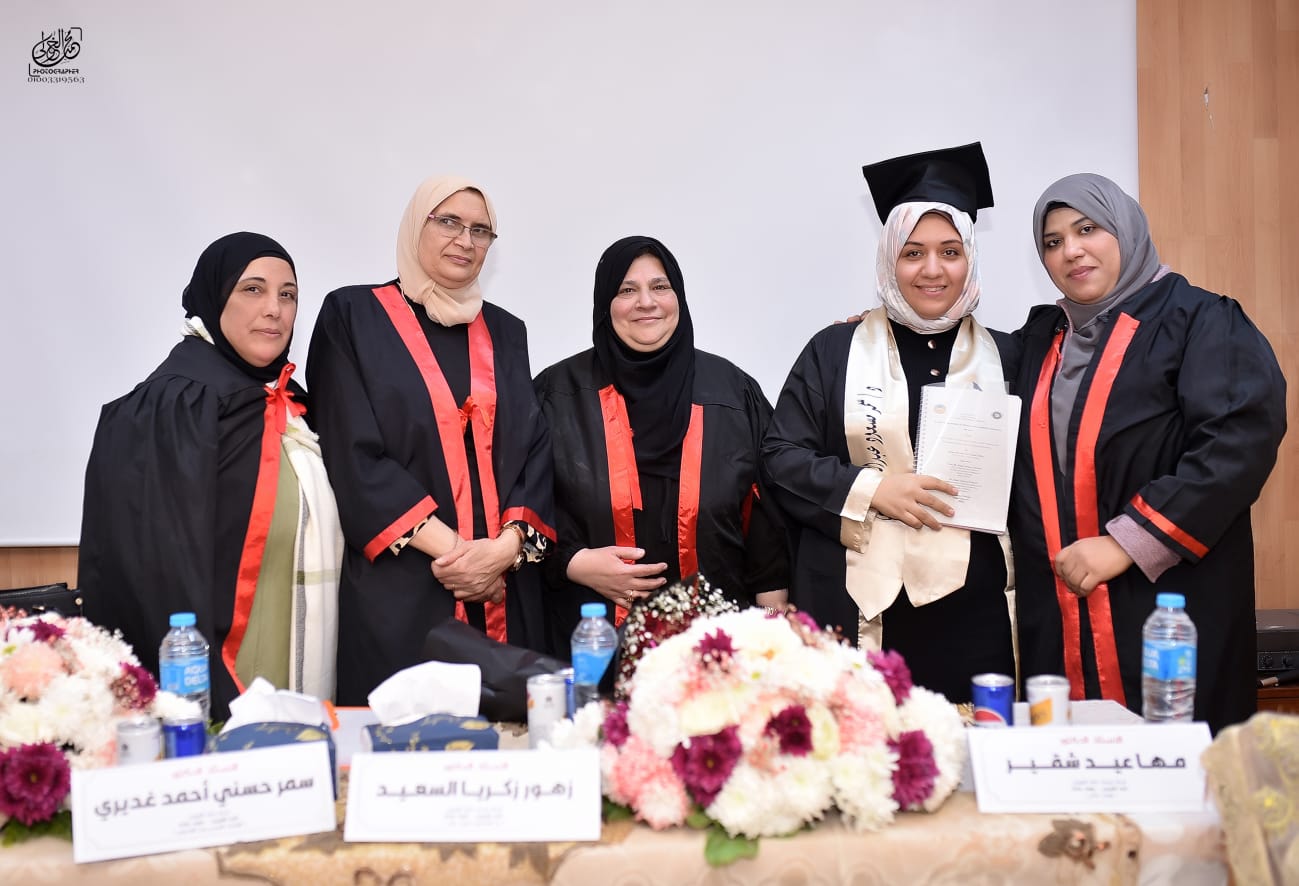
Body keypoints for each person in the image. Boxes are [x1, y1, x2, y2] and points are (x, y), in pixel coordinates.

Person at [1009, 173, 1286, 733]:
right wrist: (871, 331)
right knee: (1069, 768)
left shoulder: (1199, 320)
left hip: (1168, 602)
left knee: (1175, 766)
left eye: (1088, 229)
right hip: (1060, 612)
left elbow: (1236, 442)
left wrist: (1126, 542)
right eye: (1053, 241)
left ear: (1126, 228)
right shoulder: (1041, 340)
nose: (1071, 250)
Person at [762, 143, 1015, 703]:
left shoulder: (1011, 357)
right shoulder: (835, 350)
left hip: (976, 614)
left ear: (971, 258)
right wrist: (873, 489)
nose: (932, 269)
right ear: (888, 259)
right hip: (858, 607)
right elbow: (780, 459)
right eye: (912, 252)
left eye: (950, 251)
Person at [307, 175, 555, 705]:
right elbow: (353, 456)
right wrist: (465, 559)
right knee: (406, 741)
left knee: (512, 740)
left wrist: (503, 552)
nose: (465, 240)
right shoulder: (353, 317)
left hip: (505, 590)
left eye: (481, 230)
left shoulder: (507, 332)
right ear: (415, 226)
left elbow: (533, 450)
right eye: (448, 222)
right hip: (406, 588)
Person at [80, 232, 343, 720]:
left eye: (288, 295)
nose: (275, 309)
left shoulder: (292, 405)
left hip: (303, 659)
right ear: (214, 297)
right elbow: (151, 574)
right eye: (253, 289)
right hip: (219, 682)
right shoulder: (175, 405)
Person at [534, 235, 788, 650]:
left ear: (678, 297)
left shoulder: (732, 392)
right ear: (604, 304)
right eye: (626, 290)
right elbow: (524, 505)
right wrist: (574, 563)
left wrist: (775, 635)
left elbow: (768, 522)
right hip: (591, 643)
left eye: (659, 286)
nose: (646, 302)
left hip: (718, 647)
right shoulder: (557, 395)